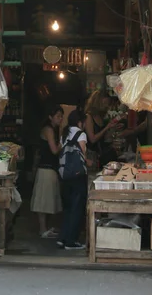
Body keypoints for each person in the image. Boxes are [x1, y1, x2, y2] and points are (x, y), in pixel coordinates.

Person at [30, 105, 64, 238]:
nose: (60, 119)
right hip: (46, 169)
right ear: (50, 117)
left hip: (50, 169)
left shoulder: (53, 129)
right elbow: (54, 150)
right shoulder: (49, 130)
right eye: (58, 116)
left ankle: (45, 228)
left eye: (62, 116)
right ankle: (42, 229)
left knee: (48, 200)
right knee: (43, 201)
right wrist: (62, 143)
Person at [58, 109, 88, 250]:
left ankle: (63, 237)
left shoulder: (64, 134)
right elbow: (82, 154)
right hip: (78, 175)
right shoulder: (81, 134)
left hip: (65, 174)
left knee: (68, 207)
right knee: (77, 207)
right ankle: (71, 241)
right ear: (80, 121)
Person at [85, 89, 124, 168]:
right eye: (105, 103)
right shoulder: (88, 117)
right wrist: (107, 127)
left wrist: (113, 128)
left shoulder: (101, 117)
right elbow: (92, 139)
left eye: (107, 104)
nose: (106, 106)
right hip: (92, 155)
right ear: (98, 102)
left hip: (101, 153)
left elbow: (105, 138)